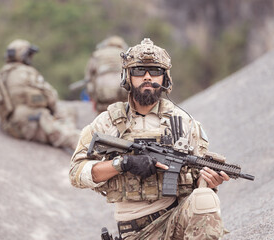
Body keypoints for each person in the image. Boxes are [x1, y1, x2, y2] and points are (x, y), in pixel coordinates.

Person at [69, 38, 230, 239]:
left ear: (165, 78)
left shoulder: (183, 122)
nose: (147, 77)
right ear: (128, 77)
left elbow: (198, 176)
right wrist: (123, 163)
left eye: (155, 71)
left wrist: (209, 182)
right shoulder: (108, 121)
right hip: (134, 231)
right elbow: (76, 173)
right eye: (139, 71)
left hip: (175, 219)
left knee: (205, 198)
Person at [0, 39, 79, 150]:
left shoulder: (0, 75)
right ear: (22, 55)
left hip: (12, 126)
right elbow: (51, 96)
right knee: (74, 135)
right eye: (28, 54)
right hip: (32, 122)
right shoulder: (27, 72)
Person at [84, 36, 128, 114]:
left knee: (103, 113)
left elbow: (89, 76)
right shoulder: (125, 54)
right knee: (123, 110)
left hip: (103, 86)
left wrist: (92, 94)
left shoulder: (97, 54)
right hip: (122, 86)